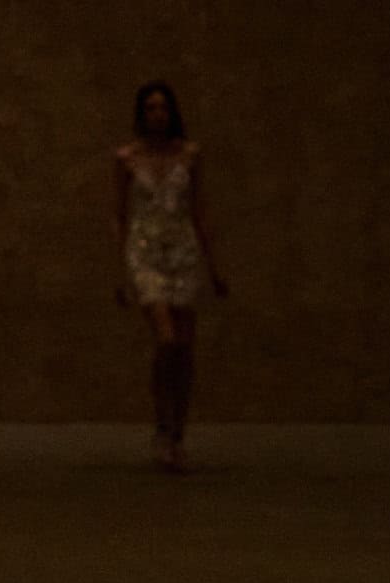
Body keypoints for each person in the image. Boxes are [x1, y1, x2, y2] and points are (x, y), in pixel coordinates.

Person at [113, 80, 228, 470]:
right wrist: (120, 271)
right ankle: (162, 424)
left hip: (183, 252)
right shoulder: (127, 158)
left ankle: (178, 432)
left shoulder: (189, 155)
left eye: (163, 107)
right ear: (141, 113)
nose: (157, 115)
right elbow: (118, 215)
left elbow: (199, 211)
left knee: (185, 348)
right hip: (145, 252)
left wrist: (214, 268)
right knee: (166, 339)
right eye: (150, 108)